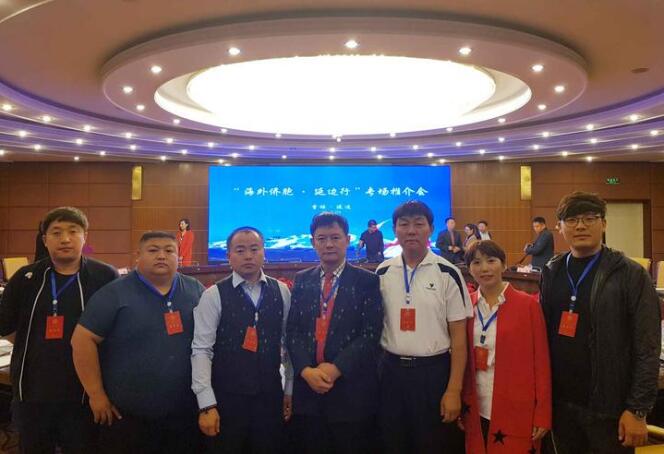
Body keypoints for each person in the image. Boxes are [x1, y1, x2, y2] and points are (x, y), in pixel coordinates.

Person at [540, 192, 660, 453]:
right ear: (559, 227)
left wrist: (637, 409)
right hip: (561, 406)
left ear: (603, 224)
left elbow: (648, 345)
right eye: (572, 220)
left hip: (609, 409)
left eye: (589, 218)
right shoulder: (552, 271)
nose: (580, 226)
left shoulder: (630, 274)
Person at [71, 231, 205, 454]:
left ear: (178, 256)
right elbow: (82, 340)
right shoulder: (114, 293)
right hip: (128, 415)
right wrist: (96, 394)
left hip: (184, 413)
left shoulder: (195, 289)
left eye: (169, 250)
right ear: (138, 255)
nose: (161, 255)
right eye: (153, 250)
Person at [0, 206, 118, 453]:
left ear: (85, 237)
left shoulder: (104, 276)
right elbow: (6, 326)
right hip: (32, 393)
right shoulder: (25, 277)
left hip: (85, 395)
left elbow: (116, 330)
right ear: (45, 240)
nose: (65, 239)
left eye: (73, 231)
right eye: (56, 232)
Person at [376, 201, 472, 453]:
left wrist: (454, 390)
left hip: (433, 375)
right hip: (390, 373)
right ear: (394, 230)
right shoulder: (382, 272)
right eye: (404, 224)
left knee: (432, 444)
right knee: (392, 443)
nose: (411, 230)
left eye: (419, 224)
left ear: (430, 228)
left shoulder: (447, 272)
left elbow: (459, 338)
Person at [286, 212, 383, 453]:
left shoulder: (367, 281)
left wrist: (337, 368)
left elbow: (371, 333)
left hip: (351, 393)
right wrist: (306, 370)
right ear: (313, 242)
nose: (328, 244)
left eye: (335, 237)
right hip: (308, 393)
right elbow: (293, 331)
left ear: (347, 240)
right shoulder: (302, 280)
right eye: (322, 239)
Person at [191, 226, 293, 452]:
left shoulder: (282, 291)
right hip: (226, 399)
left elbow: (288, 345)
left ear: (264, 252)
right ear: (228, 256)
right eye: (240, 250)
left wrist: (289, 389)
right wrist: (206, 403)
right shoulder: (213, 295)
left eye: (254, 249)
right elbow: (201, 350)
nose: (248, 256)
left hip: (270, 397)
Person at [460, 240, 551, 453]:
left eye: (491, 261)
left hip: (516, 407)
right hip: (475, 406)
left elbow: (541, 362)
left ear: (504, 264)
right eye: (476, 262)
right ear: (469, 269)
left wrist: (543, 412)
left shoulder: (528, 305)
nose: (484, 268)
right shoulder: (465, 306)